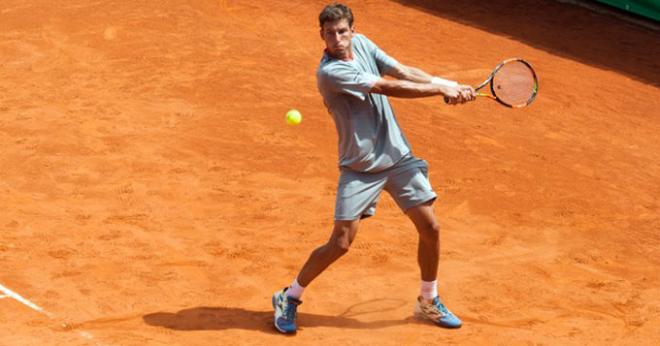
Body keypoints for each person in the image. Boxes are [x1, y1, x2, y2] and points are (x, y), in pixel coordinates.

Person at [272, 3, 475, 334]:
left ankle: (428, 299)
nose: (337, 39)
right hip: (361, 166)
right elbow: (385, 86)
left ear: (352, 30)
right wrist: (440, 91)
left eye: (342, 31)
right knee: (340, 243)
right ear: (320, 35)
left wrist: (444, 81)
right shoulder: (330, 72)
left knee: (431, 228)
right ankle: (289, 296)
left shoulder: (363, 43)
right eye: (329, 33)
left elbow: (402, 72)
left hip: (397, 156)